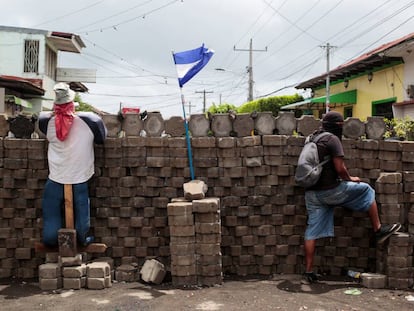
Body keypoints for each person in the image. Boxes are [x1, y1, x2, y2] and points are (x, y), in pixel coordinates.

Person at [302, 111, 401, 284]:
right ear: (338, 126)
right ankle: (378, 230)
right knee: (366, 190)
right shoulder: (333, 140)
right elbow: (340, 168)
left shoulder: (312, 138)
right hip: (330, 191)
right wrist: (350, 179)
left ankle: (308, 271)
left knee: (312, 231)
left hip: (312, 193)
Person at [39, 82, 107, 247]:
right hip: (80, 176)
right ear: (72, 104)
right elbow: (102, 138)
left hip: (56, 176)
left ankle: (51, 239)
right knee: (82, 212)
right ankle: (82, 238)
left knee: (50, 219)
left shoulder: (45, 122)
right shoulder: (91, 121)